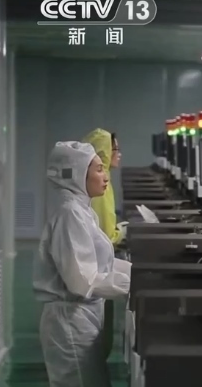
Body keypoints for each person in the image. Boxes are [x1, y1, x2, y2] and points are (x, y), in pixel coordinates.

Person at [33, 141, 132, 387]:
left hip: (81, 317)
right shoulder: (70, 215)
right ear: (77, 175)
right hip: (70, 322)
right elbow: (82, 281)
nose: (105, 176)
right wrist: (134, 285)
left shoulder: (82, 211)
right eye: (98, 169)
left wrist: (139, 273)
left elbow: (101, 263)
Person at [82, 128, 126, 361]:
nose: (119, 154)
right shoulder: (101, 187)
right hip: (95, 271)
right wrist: (121, 233)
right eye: (115, 149)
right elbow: (106, 234)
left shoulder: (97, 183)